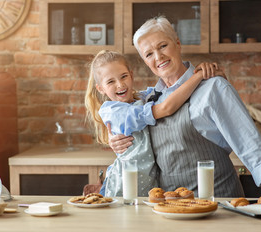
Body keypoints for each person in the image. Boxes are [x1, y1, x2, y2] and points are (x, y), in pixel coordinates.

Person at [108, 16, 261, 199]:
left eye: (163, 46)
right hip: (170, 206)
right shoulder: (148, 100)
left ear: (177, 43)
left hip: (217, 201)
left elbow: (247, 140)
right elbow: (122, 120)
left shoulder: (213, 87)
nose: (158, 56)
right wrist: (114, 139)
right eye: (149, 54)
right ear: (145, 62)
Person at [85, 50, 221, 197]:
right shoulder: (113, 111)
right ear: (101, 88)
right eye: (111, 81)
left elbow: (171, 90)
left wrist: (206, 73)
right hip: (123, 185)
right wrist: (198, 76)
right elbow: (166, 107)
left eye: (124, 76)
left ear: (131, 75)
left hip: (148, 183)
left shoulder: (142, 98)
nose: (120, 84)